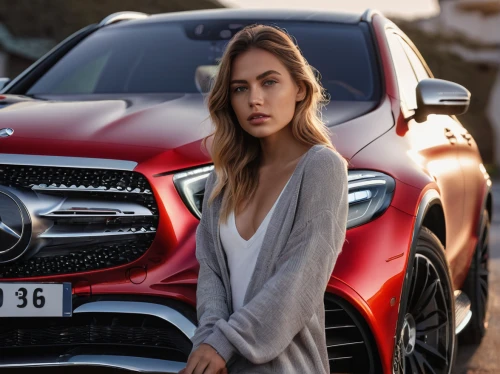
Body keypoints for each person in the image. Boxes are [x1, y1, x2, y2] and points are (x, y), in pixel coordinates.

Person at [179, 24, 349, 374]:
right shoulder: (223, 176)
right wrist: (209, 341)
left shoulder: (322, 167)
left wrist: (223, 343)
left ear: (300, 89)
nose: (254, 99)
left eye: (269, 82)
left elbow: (300, 279)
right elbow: (210, 272)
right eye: (240, 88)